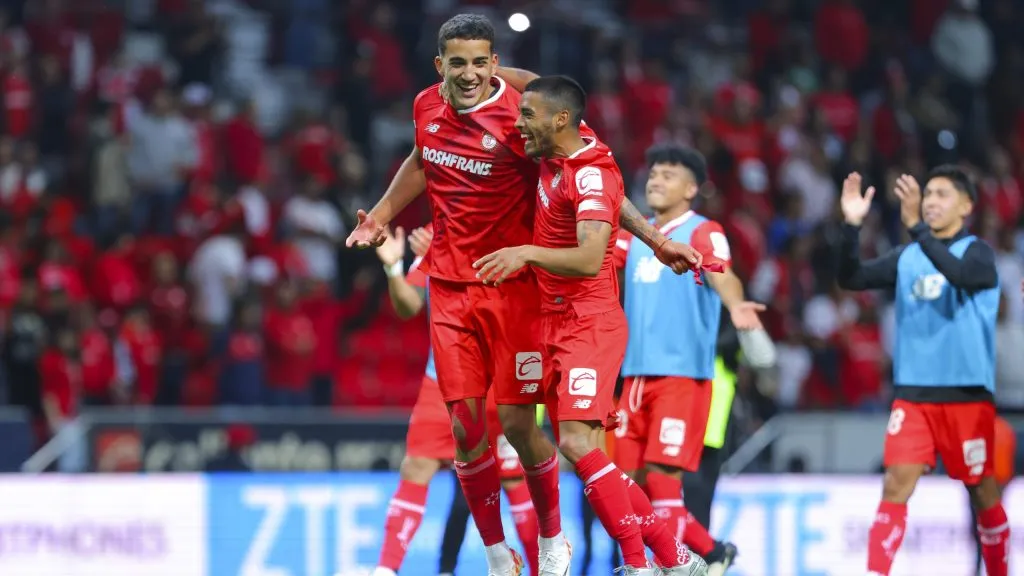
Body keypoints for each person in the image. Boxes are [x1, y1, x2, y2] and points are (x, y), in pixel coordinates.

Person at [347, 14, 702, 576]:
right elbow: (421, 159)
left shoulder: (522, 119)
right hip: (450, 289)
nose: (468, 74)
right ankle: (498, 554)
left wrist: (657, 240)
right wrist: (382, 215)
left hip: (517, 294)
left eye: (480, 62)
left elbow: (596, 180)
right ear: (439, 65)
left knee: (523, 427)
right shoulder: (425, 108)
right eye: (456, 63)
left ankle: (566, 542)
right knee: (467, 429)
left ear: (494, 63)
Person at [473, 75, 708, 576]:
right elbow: (616, 199)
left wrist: (526, 252)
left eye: (528, 116)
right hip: (549, 321)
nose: (518, 124)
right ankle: (674, 557)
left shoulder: (590, 173)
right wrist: (490, 68)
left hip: (589, 325)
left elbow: (587, 257)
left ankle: (637, 565)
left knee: (579, 445)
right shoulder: (572, 148)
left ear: (559, 119)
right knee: (579, 451)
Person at [837, 168, 1010, 576]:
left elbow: (962, 276)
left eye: (942, 195)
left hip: (966, 397)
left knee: (983, 493)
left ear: (966, 206)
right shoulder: (908, 257)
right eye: (927, 194)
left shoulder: (979, 253)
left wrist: (916, 227)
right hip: (913, 397)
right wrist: (850, 225)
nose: (931, 201)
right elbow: (850, 278)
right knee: (896, 483)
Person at [611, 145, 766, 573]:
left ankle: (671, 564)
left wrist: (734, 305)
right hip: (635, 380)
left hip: (682, 379)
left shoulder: (702, 229)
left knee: (662, 481)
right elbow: (594, 261)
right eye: (654, 172)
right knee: (621, 486)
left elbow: (723, 273)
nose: (656, 179)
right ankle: (712, 551)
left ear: (692, 188)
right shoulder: (637, 236)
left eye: (668, 174)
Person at [372, 224, 540, 576]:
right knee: (416, 465)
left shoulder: (508, 219)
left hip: (500, 377)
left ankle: (544, 567)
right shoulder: (436, 233)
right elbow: (409, 307)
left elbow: (515, 289)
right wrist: (392, 268)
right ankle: (385, 570)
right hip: (442, 377)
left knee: (512, 478)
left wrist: (451, 254)